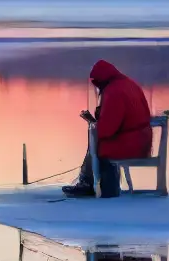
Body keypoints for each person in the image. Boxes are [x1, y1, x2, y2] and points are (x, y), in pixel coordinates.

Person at [62, 59, 153, 198]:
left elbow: (107, 130)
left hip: (129, 144)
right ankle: (88, 182)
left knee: (96, 144)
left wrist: (94, 123)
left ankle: (94, 185)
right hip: (142, 141)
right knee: (97, 141)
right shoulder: (129, 84)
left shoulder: (113, 92)